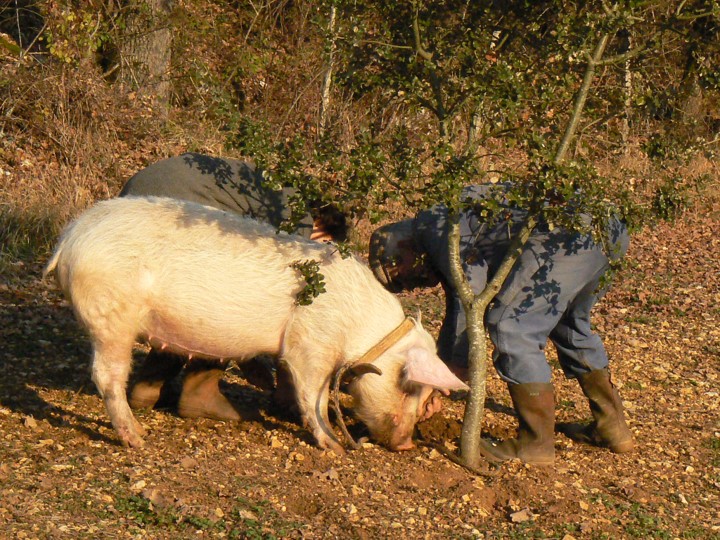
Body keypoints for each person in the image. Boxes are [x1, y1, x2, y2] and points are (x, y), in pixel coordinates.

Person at [368, 183, 634, 465]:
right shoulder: (439, 221)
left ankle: (535, 444)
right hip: (608, 228)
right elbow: (459, 306)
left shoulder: (433, 229)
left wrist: (447, 375)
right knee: (569, 325)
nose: (411, 285)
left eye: (400, 277)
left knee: (512, 327)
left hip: (570, 232)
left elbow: (468, 296)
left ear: (401, 249)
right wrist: (443, 370)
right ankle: (612, 429)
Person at [120, 152, 348, 422]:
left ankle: (149, 386)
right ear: (323, 228)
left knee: (184, 299)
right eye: (324, 246)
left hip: (137, 200)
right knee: (224, 295)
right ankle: (200, 394)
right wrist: (251, 359)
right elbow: (259, 297)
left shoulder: (282, 194)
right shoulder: (298, 221)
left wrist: (250, 359)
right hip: (167, 205)